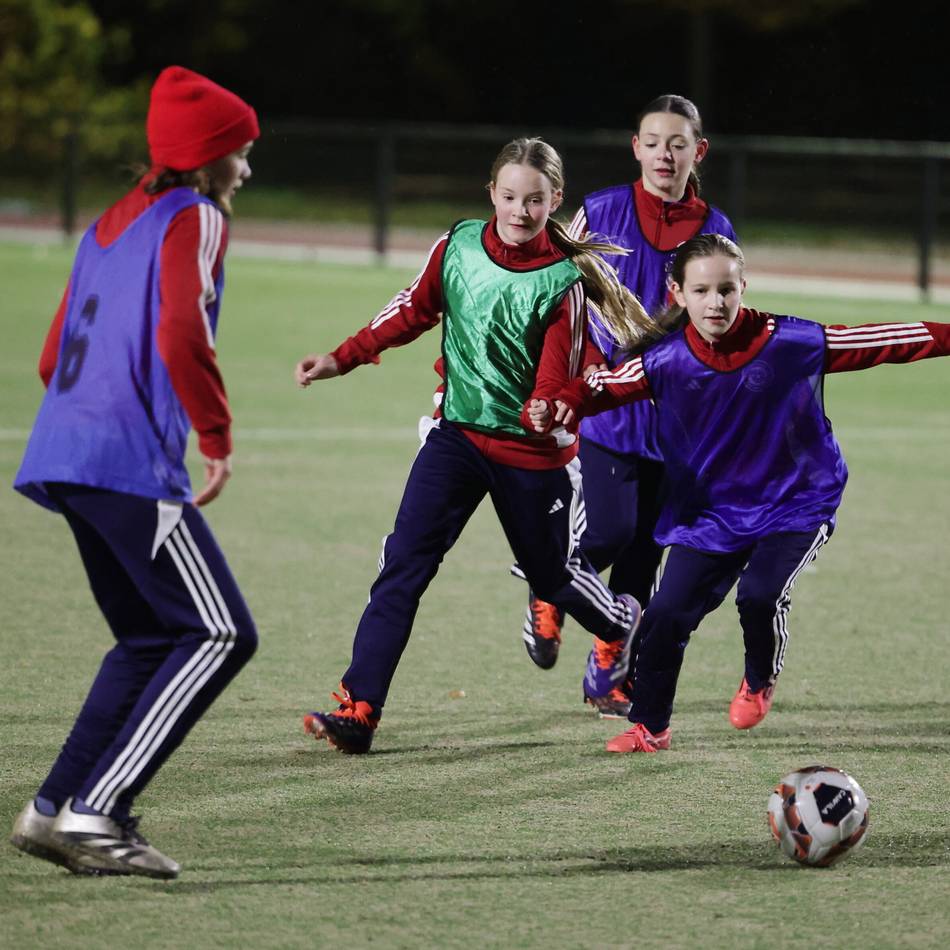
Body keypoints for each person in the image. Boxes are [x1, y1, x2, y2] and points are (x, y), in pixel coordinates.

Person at [295, 137, 658, 755]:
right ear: (491, 193)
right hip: (456, 440)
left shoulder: (563, 281)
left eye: (535, 200)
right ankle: (359, 708)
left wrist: (546, 405)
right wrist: (343, 357)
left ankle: (620, 625)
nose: (520, 210)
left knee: (550, 577)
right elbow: (411, 310)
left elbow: (554, 373)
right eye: (510, 196)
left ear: (555, 202)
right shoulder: (457, 245)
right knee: (403, 565)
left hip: (531, 458)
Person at [528, 233, 950, 753]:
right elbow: (601, 388)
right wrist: (560, 402)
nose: (716, 302)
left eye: (727, 289)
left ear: (743, 287)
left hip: (795, 504)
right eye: (702, 290)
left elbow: (880, 340)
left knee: (759, 595)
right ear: (678, 294)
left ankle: (758, 677)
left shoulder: (790, 342)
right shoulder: (664, 360)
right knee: (663, 617)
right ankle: (650, 727)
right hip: (710, 514)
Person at [9, 66, 260, 877]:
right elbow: (183, 329)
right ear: (209, 158)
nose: (247, 170)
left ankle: (51, 811)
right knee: (222, 633)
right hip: (127, 464)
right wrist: (214, 433)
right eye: (241, 153)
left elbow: (52, 358)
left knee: (149, 637)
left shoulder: (108, 223)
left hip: (62, 456)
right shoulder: (198, 215)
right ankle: (96, 812)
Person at [521, 95, 737, 720]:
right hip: (608, 404)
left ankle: (606, 675)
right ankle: (548, 584)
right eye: (653, 141)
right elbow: (553, 289)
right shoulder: (603, 210)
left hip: (677, 417)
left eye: (678, 143)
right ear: (636, 148)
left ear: (698, 152)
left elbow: (725, 310)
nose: (665, 154)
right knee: (609, 531)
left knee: (645, 555)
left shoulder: (715, 226)